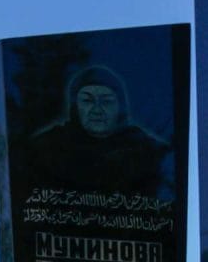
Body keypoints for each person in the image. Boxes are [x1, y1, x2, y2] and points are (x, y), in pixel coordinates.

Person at [29, 63, 171, 196]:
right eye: (87, 101)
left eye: (107, 101)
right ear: (74, 106)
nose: (97, 110)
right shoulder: (48, 147)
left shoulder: (146, 149)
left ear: (120, 106)